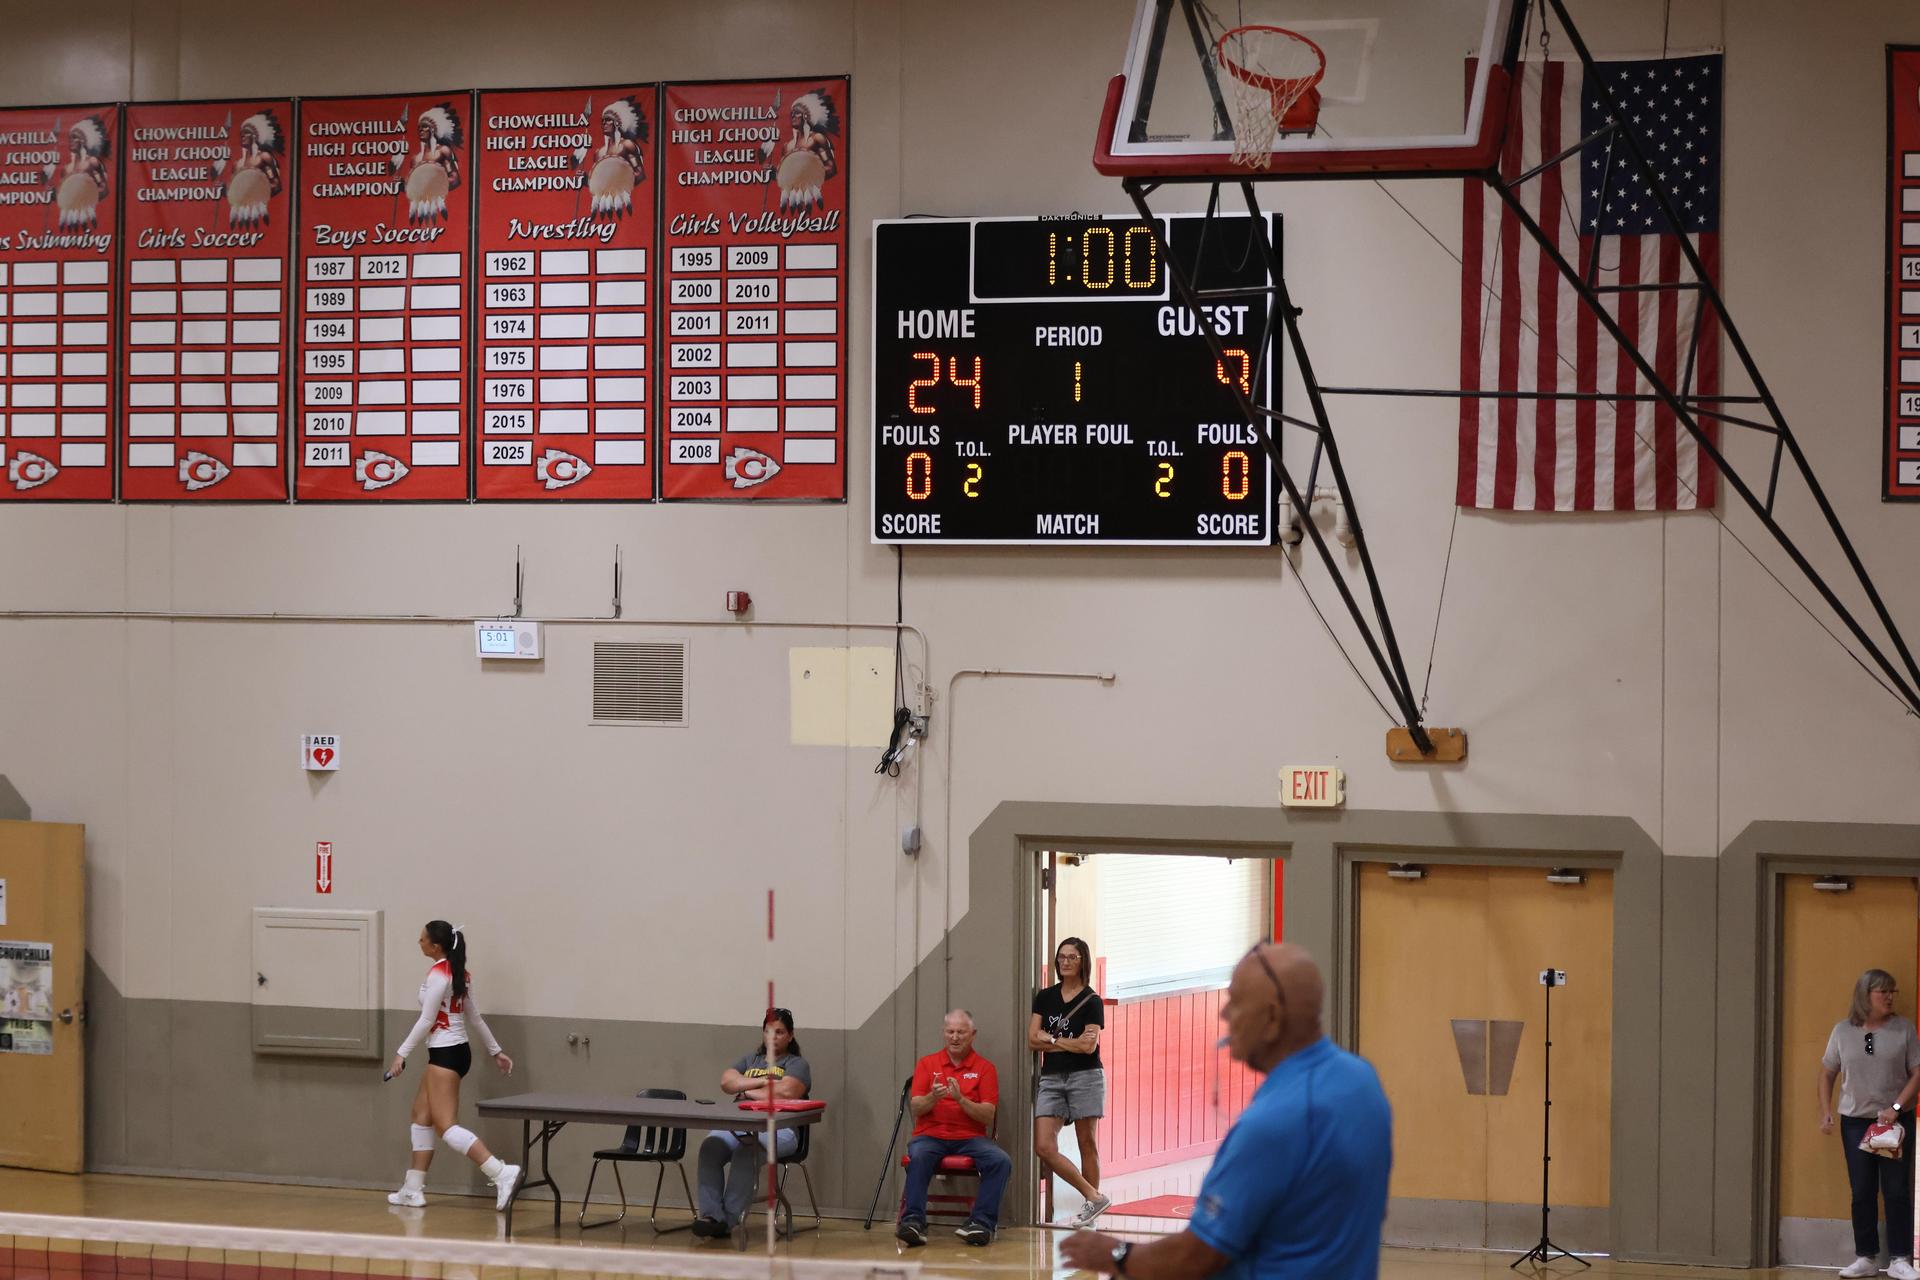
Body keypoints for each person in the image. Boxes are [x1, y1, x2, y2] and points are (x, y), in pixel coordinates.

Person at [1061, 943, 1391, 1280]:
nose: (1225, 1014)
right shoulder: (1362, 1082)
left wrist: (1117, 1255)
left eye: (1236, 1002)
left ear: (1272, 1018)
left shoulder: (1274, 1123)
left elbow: (1196, 1256)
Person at [385, 921, 520, 1211]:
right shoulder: (459, 973)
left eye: (422, 939)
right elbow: (475, 1019)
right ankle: (412, 1190)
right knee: (421, 1116)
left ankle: (500, 1172)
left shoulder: (439, 974)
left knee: (446, 1126)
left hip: (446, 1054)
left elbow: (427, 1019)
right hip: (455, 1052)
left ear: (436, 946)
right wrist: (496, 1051)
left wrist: (400, 1054)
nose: (419, 942)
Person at [1818, 968, 1920, 1279]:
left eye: (1893, 991)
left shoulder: (1904, 1029)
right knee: (1862, 1190)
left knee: (1896, 1190)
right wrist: (1826, 1110)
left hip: (1894, 1123)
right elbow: (1827, 1072)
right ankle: (1866, 1257)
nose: (1890, 997)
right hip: (1855, 1123)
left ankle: (1901, 1258)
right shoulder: (1842, 1031)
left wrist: (1896, 1107)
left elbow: (1917, 1073)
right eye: (1883, 991)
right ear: (1865, 995)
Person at [693, 1008, 812, 1244]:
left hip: (780, 1129)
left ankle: (727, 1221)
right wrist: (764, 1082)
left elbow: (786, 1092)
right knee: (710, 1146)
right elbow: (727, 1082)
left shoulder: (797, 1064)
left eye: (779, 1032)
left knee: (747, 1151)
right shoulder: (750, 1060)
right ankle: (711, 1216)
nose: (772, 1037)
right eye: (768, 1031)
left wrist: (745, 1089)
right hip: (740, 1124)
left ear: (790, 1036)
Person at [897, 1009, 1013, 1248]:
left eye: (961, 1032)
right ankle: (914, 1222)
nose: (955, 1037)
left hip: (970, 1138)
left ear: (973, 1034)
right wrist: (933, 1097)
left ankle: (980, 1223)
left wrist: (961, 1099)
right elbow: (916, 1107)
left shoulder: (985, 1068)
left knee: (1000, 1160)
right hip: (930, 1136)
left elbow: (987, 1115)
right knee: (918, 1156)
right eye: (950, 1032)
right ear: (943, 1033)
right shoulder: (927, 1063)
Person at [1030, 935, 1110, 1226]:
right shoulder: (1045, 997)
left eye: (1071, 957)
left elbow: (1088, 1046)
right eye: (1061, 957)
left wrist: (1051, 1040)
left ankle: (1091, 1210)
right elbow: (1032, 1040)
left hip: (1086, 1076)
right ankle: (1095, 1196)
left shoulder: (1092, 1001)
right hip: (1052, 1078)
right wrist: (1068, 1042)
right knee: (1044, 1146)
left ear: (1082, 961)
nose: (1065, 962)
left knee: (1086, 1142)